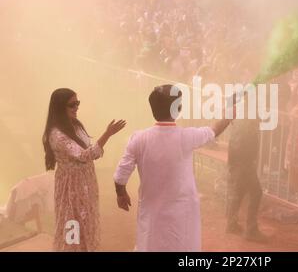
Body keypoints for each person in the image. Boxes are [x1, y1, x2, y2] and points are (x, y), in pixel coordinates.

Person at [113, 85, 233, 251]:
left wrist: (121, 193)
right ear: (178, 109)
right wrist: (229, 114)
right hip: (181, 213)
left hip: (152, 213)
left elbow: (120, 176)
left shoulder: (139, 138)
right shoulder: (187, 137)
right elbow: (214, 130)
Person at [42, 88, 126, 251]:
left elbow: (92, 152)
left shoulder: (75, 126)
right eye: (72, 105)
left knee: (87, 221)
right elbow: (84, 155)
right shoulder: (56, 134)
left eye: (77, 103)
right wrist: (107, 134)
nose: (76, 108)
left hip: (86, 183)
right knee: (72, 222)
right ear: (60, 107)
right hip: (71, 188)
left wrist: (102, 140)